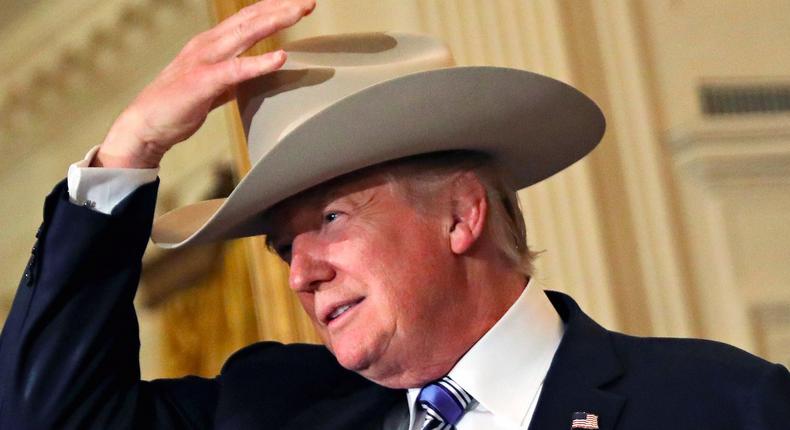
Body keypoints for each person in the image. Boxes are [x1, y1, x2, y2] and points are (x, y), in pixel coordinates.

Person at [1, 1, 788, 429]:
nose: (301, 273)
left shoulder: (724, 405)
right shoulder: (272, 409)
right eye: (282, 249)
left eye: (332, 220)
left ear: (461, 216)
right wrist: (127, 153)